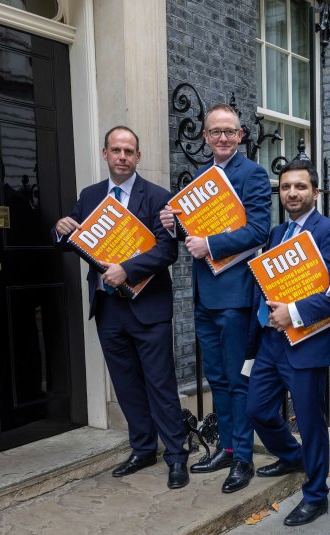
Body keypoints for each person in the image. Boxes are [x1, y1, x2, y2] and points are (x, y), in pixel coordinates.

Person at [55, 125, 189, 490]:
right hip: (108, 309)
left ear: (138, 157)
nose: (122, 157)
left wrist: (127, 269)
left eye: (129, 151)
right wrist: (61, 229)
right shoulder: (90, 196)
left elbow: (167, 250)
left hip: (149, 309)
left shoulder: (158, 196)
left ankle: (176, 457)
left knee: (160, 385)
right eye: (116, 150)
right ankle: (143, 449)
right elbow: (75, 241)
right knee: (126, 385)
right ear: (105, 154)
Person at [159, 104, 271, 493]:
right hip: (204, 295)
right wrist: (174, 226)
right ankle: (225, 446)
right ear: (205, 137)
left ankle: (243, 457)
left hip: (236, 295)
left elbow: (259, 230)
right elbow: (190, 239)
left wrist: (210, 243)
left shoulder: (253, 175)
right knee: (217, 378)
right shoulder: (201, 181)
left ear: (240, 136)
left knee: (238, 382)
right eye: (215, 132)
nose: (222, 137)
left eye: (229, 131)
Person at [245, 157, 330, 526]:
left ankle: (316, 494)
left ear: (315, 192)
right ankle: (293, 456)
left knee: (310, 421)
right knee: (257, 409)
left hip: (308, 343)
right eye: (286, 186)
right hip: (273, 343)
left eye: (300, 186)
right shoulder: (276, 234)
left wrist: (295, 312)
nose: (292, 192)